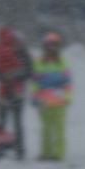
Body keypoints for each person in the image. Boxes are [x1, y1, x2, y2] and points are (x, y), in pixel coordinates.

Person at [29, 31, 72, 161]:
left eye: (54, 45)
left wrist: (67, 97)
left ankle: (58, 154)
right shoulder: (39, 62)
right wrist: (35, 97)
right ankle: (45, 153)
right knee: (45, 130)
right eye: (49, 45)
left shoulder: (63, 62)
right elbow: (35, 82)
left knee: (58, 129)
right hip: (44, 102)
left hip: (59, 101)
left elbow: (67, 83)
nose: (51, 47)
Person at [0, 24, 32, 160]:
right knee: (15, 121)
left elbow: (28, 71)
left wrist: (5, 75)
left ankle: (2, 149)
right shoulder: (20, 50)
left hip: (7, 90)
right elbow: (28, 71)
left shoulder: (0, 49)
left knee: (6, 121)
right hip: (15, 90)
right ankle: (17, 150)